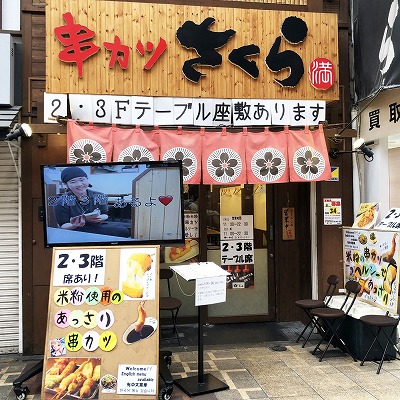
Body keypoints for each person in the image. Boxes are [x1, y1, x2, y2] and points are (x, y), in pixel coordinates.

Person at [54, 166, 130, 237]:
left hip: (96, 224)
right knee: (122, 231)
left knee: (130, 226)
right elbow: (63, 226)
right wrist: (76, 224)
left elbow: (105, 214)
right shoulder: (61, 202)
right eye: (73, 182)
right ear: (66, 184)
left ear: (87, 179)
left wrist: (99, 218)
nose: (79, 184)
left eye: (82, 180)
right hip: (76, 230)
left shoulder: (99, 195)